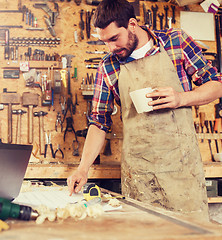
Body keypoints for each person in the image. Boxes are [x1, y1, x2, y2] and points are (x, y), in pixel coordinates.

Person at [67, 0, 222, 221]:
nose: (111, 48)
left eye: (114, 39)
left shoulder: (175, 42)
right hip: (140, 176)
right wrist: (83, 168)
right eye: (105, 42)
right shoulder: (108, 66)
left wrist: (181, 98)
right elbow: (99, 122)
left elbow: (217, 84)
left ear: (132, 24)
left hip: (183, 172)